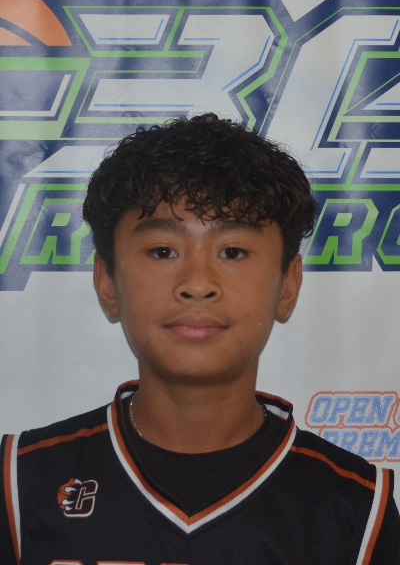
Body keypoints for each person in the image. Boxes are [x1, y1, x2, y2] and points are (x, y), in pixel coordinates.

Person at [1, 114, 399, 565]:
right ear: (107, 281)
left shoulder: (356, 508)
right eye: (162, 251)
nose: (196, 283)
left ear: (288, 285)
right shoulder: (21, 484)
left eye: (232, 251)